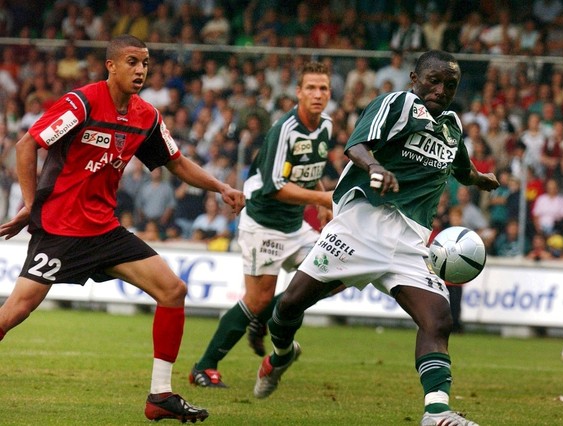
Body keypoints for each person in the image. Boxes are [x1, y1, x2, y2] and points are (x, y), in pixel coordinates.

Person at [0, 35, 245, 423]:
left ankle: (160, 396)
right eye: (132, 62)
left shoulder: (146, 116)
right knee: (15, 311)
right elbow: (28, 144)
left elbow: (177, 163)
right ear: (110, 65)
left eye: (145, 63)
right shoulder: (81, 102)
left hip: (105, 230)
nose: (141, 70)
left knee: (172, 289)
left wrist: (221, 186)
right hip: (61, 229)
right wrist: (31, 206)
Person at [253, 50, 499, 426]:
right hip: (359, 228)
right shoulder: (398, 103)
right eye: (433, 80)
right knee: (288, 307)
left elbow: (460, 168)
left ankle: (436, 412)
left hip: (408, 243)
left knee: (438, 319)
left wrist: (480, 179)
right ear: (414, 78)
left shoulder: (451, 125)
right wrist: (376, 167)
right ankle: (282, 355)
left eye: (450, 85)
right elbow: (356, 146)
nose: (441, 89)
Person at [189, 61, 335, 388]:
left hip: (295, 225)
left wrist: (323, 200)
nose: (317, 94)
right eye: (310, 87)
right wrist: (323, 202)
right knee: (255, 300)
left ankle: (267, 316)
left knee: (336, 272)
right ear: (298, 92)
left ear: (329, 93)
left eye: (323, 88)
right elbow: (276, 187)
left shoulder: (325, 126)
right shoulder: (284, 129)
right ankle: (204, 366)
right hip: (264, 223)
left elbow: (309, 172)